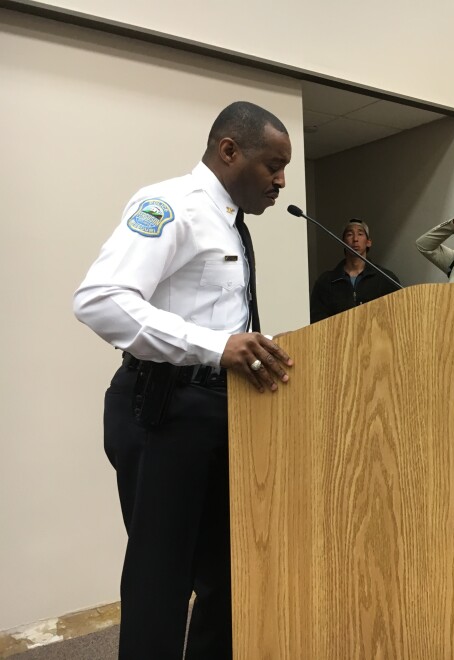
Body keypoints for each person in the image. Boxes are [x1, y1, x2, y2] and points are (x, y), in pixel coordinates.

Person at [73, 101, 294, 660]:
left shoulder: (230, 223)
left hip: (223, 411)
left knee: (229, 572)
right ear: (228, 151)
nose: (281, 181)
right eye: (273, 165)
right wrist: (216, 346)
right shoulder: (171, 204)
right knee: (161, 578)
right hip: (162, 409)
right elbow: (100, 301)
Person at [310, 219, 401, 322]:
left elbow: (398, 314)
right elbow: (317, 321)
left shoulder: (385, 278)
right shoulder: (326, 282)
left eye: (360, 234)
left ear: (368, 242)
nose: (355, 239)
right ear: (343, 242)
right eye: (349, 234)